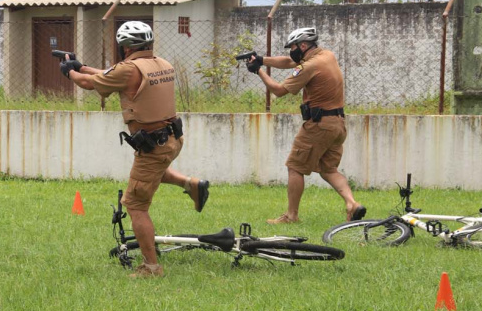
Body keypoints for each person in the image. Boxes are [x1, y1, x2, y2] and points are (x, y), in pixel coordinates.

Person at [59, 21, 209, 279]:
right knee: (154, 173)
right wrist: (81, 66)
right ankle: (191, 184)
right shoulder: (161, 64)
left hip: (153, 145)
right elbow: (112, 75)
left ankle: (151, 267)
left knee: (136, 205)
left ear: (125, 47)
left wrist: (69, 72)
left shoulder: (129, 69)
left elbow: (90, 83)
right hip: (172, 140)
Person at [246, 26, 365, 224]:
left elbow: (279, 90)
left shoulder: (307, 67)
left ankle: (291, 216)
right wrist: (261, 59)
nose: (291, 51)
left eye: (293, 47)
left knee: (295, 167)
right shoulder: (327, 56)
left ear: (303, 45)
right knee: (329, 170)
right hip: (337, 125)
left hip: (319, 126)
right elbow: (288, 61)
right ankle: (352, 203)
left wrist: (258, 71)